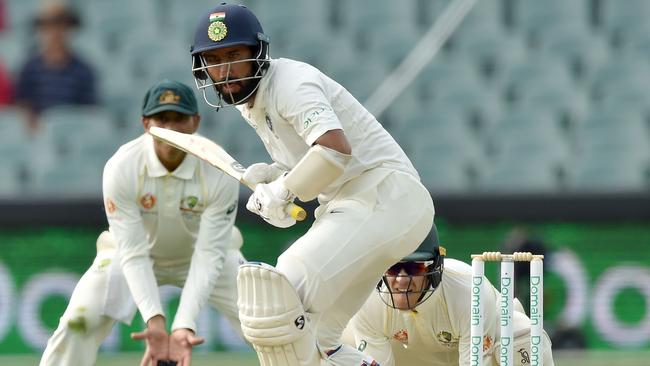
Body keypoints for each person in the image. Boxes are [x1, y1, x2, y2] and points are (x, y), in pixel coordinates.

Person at [189, 3, 435, 365]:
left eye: (234, 55)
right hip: (363, 205)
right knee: (320, 343)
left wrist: (286, 189)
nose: (224, 70)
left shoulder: (290, 83)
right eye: (214, 59)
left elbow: (335, 150)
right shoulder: (250, 101)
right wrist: (276, 176)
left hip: (384, 196)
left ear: (258, 54)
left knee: (278, 295)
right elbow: (314, 160)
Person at [39, 80, 245, 366]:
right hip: (130, 256)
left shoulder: (219, 168)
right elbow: (134, 253)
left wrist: (184, 323)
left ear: (195, 122)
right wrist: (155, 322)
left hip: (211, 256)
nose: (171, 129)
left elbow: (210, 254)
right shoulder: (122, 166)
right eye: (162, 119)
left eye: (179, 119)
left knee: (269, 318)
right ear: (146, 123)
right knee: (78, 321)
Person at [344, 225, 555, 365]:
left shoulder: (469, 293)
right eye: (392, 268)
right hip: (415, 354)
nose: (400, 280)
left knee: (523, 339)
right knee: (341, 346)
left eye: (413, 268)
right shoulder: (367, 299)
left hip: (487, 346)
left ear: (433, 267)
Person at [14, 0, 96, 132]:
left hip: (75, 136)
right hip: (39, 139)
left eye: (60, 23)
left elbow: (88, 115)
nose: (54, 30)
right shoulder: (29, 70)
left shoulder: (84, 71)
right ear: (40, 28)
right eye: (47, 24)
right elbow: (23, 111)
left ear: (69, 26)